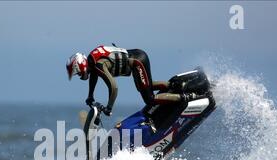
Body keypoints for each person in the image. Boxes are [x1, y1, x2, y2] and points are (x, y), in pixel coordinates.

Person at [66, 44, 199, 118]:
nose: (78, 75)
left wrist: (109, 107)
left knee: (150, 99)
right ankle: (179, 83)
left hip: (137, 61)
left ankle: (186, 97)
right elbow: (93, 79)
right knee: (146, 86)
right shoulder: (93, 63)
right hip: (137, 57)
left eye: (77, 72)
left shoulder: (98, 65)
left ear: (81, 66)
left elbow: (114, 87)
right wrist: (90, 95)